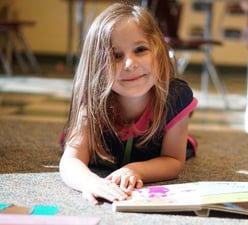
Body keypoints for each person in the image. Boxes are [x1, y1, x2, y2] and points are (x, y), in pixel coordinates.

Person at [59, 3, 198, 205]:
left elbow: (174, 161)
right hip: (103, 149)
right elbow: (71, 161)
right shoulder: (92, 100)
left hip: (154, 148)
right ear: (97, 66)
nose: (130, 64)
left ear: (158, 52)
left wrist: (135, 169)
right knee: (73, 141)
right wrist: (89, 182)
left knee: (182, 143)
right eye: (116, 56)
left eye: (140, 49)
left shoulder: (175, 97)